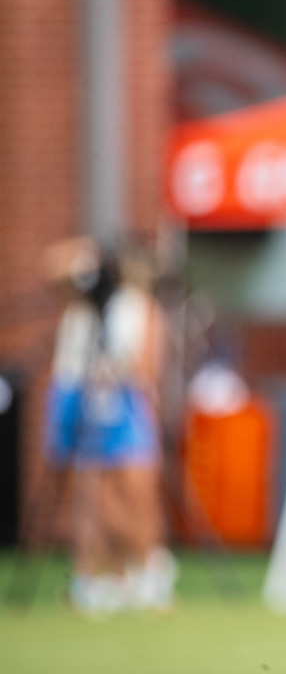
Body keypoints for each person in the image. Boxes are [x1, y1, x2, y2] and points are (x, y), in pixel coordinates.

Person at [43, 237, 177, 615]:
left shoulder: (139, 308)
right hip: (78, 389)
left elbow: (144, 367)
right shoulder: (84, 301)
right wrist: (87, 260)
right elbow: (55, 269)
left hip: (122, 396)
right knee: (89, 490)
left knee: (132, 489)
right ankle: (93, 577)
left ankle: (140, 571)